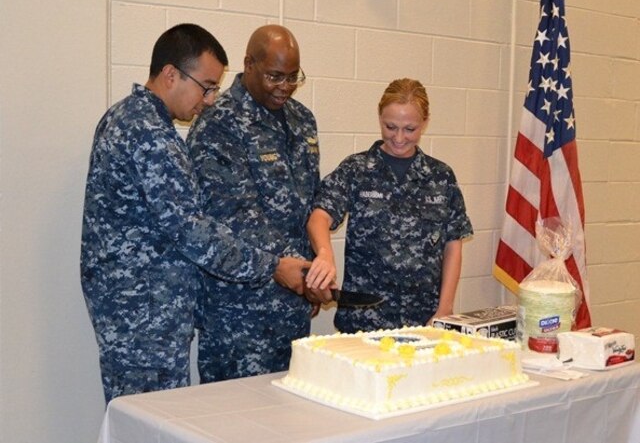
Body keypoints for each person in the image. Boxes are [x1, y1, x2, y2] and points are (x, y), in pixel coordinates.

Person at [81, 23, 309, 403]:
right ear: (171, 74)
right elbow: (193, 232)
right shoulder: (148, 133)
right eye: (206, 86)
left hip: (143, 312)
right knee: (151, 423)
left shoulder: (132, 118)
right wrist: (272, 266)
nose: (209, 99)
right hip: (144, 316)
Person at [187, 24, 321, 382]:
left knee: (290, 423)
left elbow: (307, 202)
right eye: (275, 76)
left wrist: (313, 269)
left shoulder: (303, 120)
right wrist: (296, 270)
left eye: (294, 77)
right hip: (240, 313)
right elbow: (232, 214)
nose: (285, 87)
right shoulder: (219, 121)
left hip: (292, 307)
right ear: (249, 64)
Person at [305, 78, 473, 333]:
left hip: (424, 320)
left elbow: (453, 244)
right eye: (390, 126)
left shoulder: (440, 176)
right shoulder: (356, 169)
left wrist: (444, 309)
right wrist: (325, 254)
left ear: (425, 123)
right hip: (364, 321)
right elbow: (319, 217)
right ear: (379, 118)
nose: (399, 137)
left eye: (410, 129)